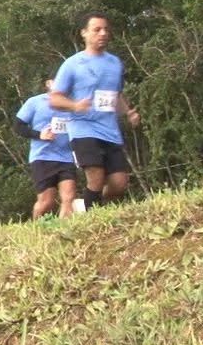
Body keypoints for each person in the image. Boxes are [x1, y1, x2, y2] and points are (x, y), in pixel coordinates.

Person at [50, 12, 141, 210]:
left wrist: (128, 113)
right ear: (84, 33)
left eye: (106, 29)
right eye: (97, 29)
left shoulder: (114, 63)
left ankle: (88, 206)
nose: (103, 33)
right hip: (83, 128)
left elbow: (116, 95)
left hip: (109, 130)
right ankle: (92, 216)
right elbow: (54, 98)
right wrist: (75, 106)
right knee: (96, 176)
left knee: (119, 183)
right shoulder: (72, 64)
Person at [13, 78, 78, 219]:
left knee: (69, 198)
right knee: (46, 203)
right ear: (48, 83)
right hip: (42, 157)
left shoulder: (72, 104)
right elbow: (18, 126)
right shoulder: (35, 102)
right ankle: (37, 231)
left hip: (66, 157)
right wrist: (39, 135)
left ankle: (65, 233)